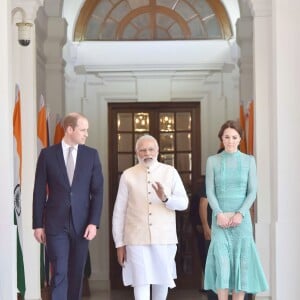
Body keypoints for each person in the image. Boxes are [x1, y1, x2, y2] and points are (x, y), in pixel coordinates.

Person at [32, 112, 104, 300]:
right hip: (55, 224)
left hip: (82, 225)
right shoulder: (47, 155)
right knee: (59, 271)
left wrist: (93, 223)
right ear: (70, 129)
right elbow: (39, 191)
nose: (86, 134)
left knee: (75, 274)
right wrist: (38, 224)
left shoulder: (91, 155)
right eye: (83, 130)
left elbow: (97, 192)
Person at [112, 134, 189, 300]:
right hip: (136, 239)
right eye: (143, 150)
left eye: (151, 149)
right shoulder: (128, 175)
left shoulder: (170, 172)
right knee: (140, 283)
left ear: (158, 151)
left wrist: (166, 198)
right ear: (136, 153)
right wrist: (119, 244)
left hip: (164, 238)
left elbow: (184, 203)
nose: (147, 153)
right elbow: (119, 212)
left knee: (162, 282)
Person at [204, 120, 268, 300]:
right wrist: (218, 214)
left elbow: (252, 191)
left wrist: (240, 213)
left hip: (242, 222)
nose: (230, 140)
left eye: (234, 137)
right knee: (222, 268)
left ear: (240, 139)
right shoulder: (213, 161)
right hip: (220, 221)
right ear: (221, 139)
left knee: (243, 266)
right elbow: (210, 191)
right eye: (227, 137)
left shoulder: (249, 161)